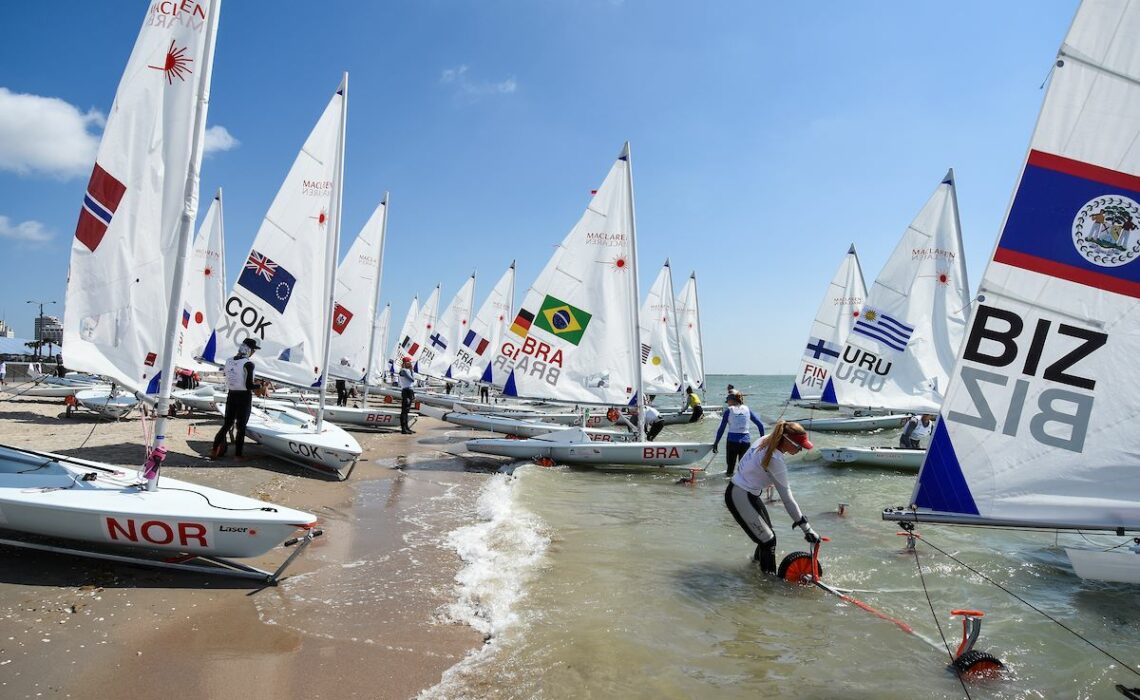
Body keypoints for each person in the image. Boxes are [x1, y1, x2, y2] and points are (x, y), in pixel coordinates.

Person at [724, 420, 820, 574]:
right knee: (768, 540)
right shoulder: (775, 460)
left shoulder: (769, 438)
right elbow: (787, 499)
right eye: (798, 446)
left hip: (744, 493)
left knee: (768, 536)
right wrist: (806, 528)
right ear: (786, 440)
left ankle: (753, 570)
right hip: (740, 496)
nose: (801, 449)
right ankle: (768, 586)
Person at [210, 338, 259, 459]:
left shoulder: (229, 361)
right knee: (241, 427)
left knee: (227, 424)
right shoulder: (248, 364)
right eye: (253, 350)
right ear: (249, 350)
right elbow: (249, 386)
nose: (253, 353)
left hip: (231, 394)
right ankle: (238, 455)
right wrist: (260, 385)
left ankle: (214, 449)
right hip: (244, 397)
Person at [712, 392, 766, 476]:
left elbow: (721, 429)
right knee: (743, 469)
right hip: (745, 443)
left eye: (728, 401)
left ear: (731, 400)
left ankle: (728, 485)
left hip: (732, 442)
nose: (728, 404)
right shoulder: (747, 409)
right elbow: (760, 425)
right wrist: (763, 441)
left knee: (730, 470)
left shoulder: (729, 411)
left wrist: (716, 443)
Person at [398, 356, 416, 434]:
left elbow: (412, 380)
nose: (411, 364)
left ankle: (407, 428)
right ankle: (403, 428)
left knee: (407, 410)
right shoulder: (403, 371)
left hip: (410, 391)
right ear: (406, 363)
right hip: (406, 391)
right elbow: (412, 379)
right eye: (409, 362)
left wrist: (411, 370)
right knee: (404, 411)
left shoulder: (407, 370)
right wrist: (411, 371)